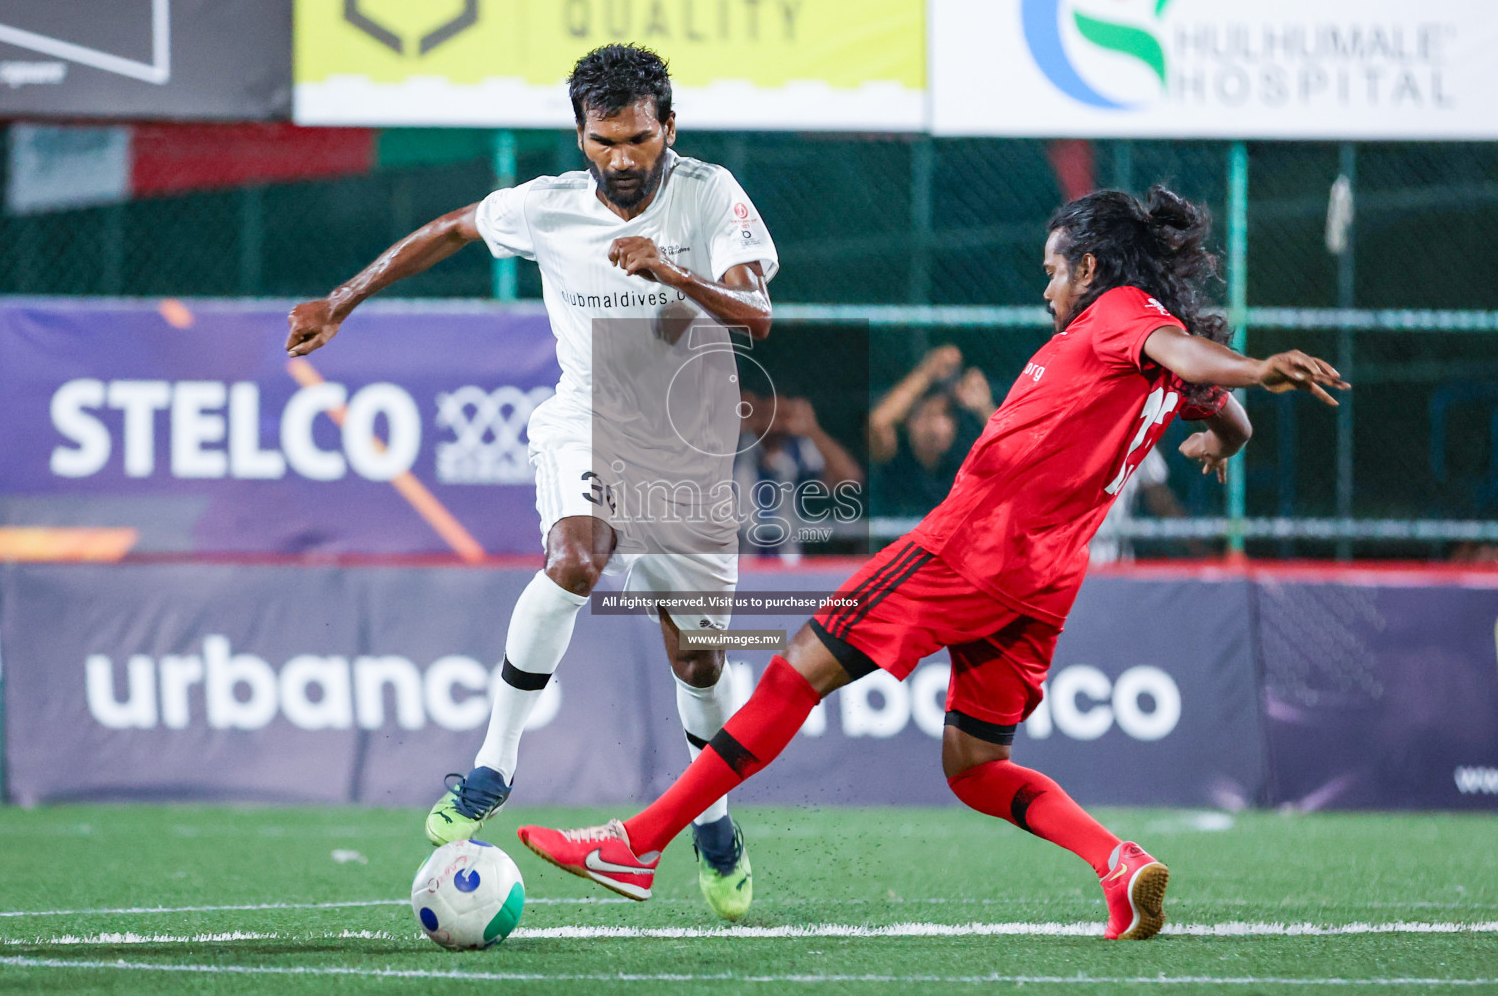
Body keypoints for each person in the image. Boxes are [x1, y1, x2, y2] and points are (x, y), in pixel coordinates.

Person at [516, 185, 1349, 939]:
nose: (1045, 289)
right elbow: (1216, 401)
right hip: (1045, 578)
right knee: (975, 765)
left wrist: (1259, 367)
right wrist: (1221, 436)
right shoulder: (1141, 350)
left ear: (1091, 268)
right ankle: (1118, 863)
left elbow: (1195, 360)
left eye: (1054, 271)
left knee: (792, 671)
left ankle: (635, 846)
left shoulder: (1122, 311)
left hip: (969, 546)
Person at [284, 44, 779, 921]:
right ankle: (492, 768)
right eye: (604, 141)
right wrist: (342, 298)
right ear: (581, 136)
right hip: (585, 418)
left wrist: (667, 267)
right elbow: (450, 229)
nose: (624, 160)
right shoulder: (546, 205)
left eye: (639, 139)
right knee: (578, 558)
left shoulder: (709, 192)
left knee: (698, 659)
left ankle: (715, 819)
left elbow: (757, 314)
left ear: (669, 127)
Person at [869, 346, 996, 518]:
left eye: (946, 416)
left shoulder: (963, 454)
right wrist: (927, 372)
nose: (938, 427)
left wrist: (984, 406)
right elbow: (878, 423)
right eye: (928, 415)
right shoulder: (895, 454)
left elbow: (1013, 457)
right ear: (908, 421)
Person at [735, 392, 864, 556]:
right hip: (743, 560)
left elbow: (849, 477)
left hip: (788, 559)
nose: (774, 425)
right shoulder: (738, 449)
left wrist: (813, 430)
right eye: (768, 414)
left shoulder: (798, 450)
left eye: (782, 416)